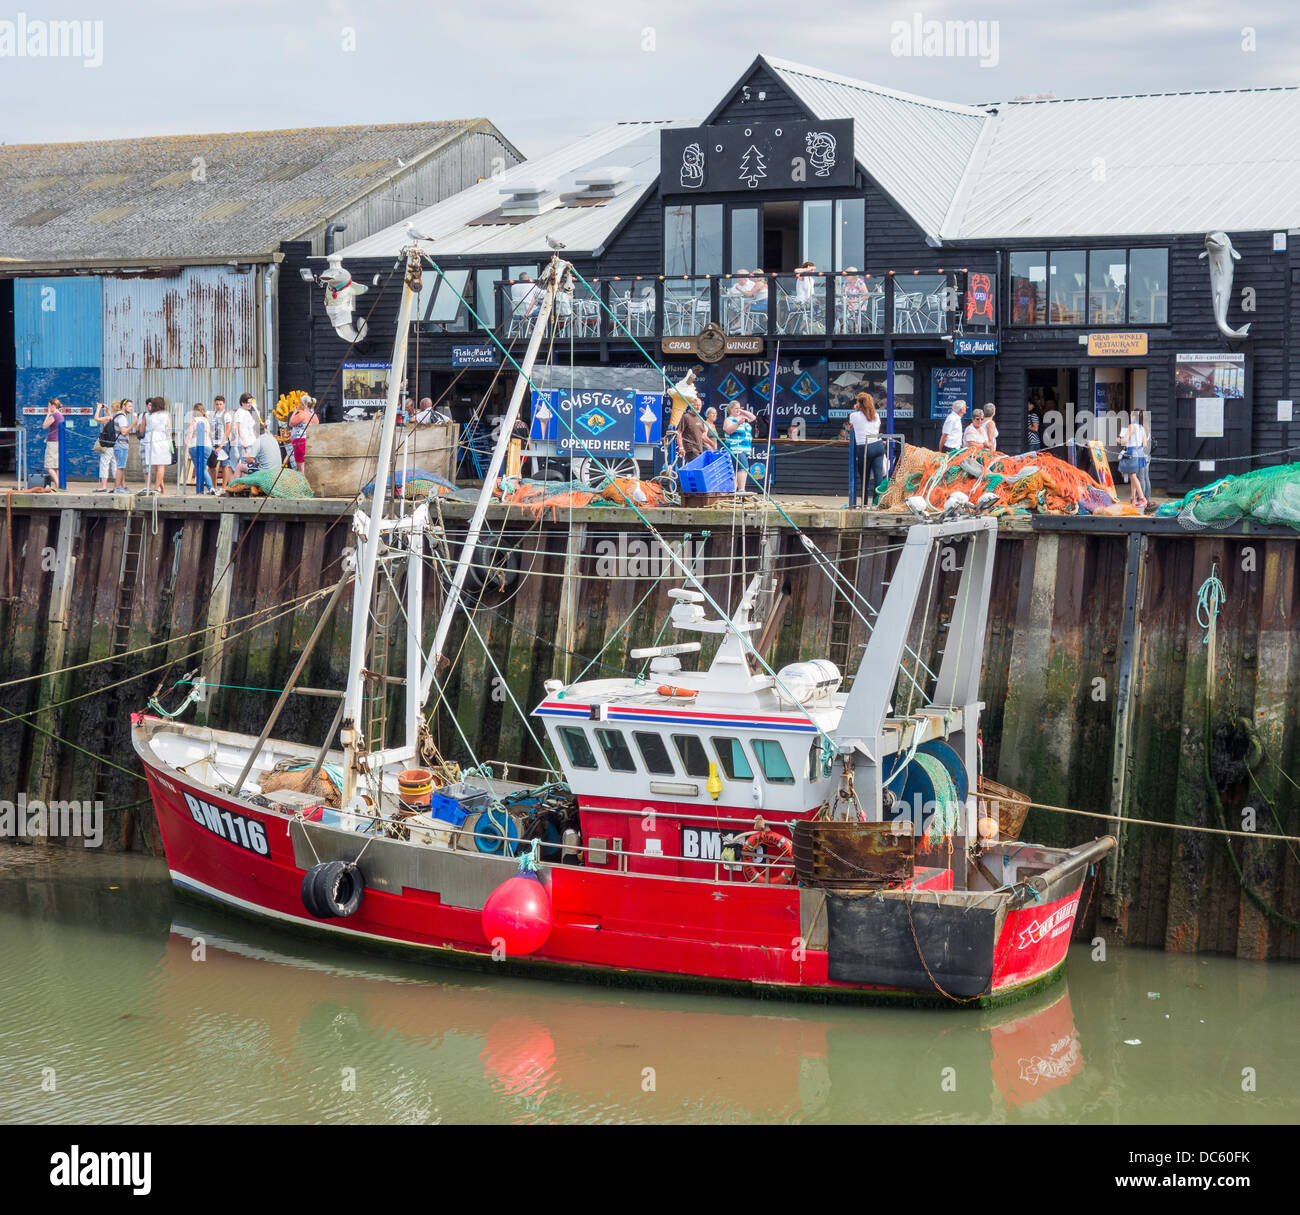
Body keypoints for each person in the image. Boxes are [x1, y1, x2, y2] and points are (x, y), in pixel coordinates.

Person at [842, 392, 885, 508]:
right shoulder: (876, 415)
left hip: (864, 447)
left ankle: (864, 503)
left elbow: (850, 426)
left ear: (859, 404)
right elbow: (877, 429)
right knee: (878, 477)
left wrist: (856, 409)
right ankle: (876, 503)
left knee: (864, 477)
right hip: (878, 445)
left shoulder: (854, 416)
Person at [138, 397, 172, 494]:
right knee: (161, 466)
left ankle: (161, 488)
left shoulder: (147, 416)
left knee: (155, 466)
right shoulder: (166, 415)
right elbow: (169, 430)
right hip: (162, 440)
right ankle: (156, 489)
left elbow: (141, 430)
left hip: (149, 441)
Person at [722, 401, 757, 493]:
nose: (738, 410)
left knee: (736, 469)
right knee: (743, 468)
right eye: (736, 408)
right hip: (735, 448)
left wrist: (742, 411)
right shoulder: (729, 420)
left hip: (745, 449)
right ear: (730, 409)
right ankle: (741, 489)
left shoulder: (742, 418)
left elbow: (753, 418)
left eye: (739, 408)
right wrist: (738, 423)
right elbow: (728, 430)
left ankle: (733, 490)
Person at [1117, 413, 1150, 510]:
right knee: (1133, 475)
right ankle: (1133, 498)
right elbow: (1144, 443)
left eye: (1131, 415)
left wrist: (1119, 440)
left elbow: (1124, 440)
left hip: (1132, 452)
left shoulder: (1131, 426)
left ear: (1134, 417)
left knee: (1133, 476)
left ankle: (1142, 498)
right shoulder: (1142, 428)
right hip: (1140, 452)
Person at [186, 403, 213, 494]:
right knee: (201, 468)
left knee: (200, 469)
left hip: (195, 446)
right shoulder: (207, 421)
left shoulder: (193, 421)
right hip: (207, 446)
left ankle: (210, 487)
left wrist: (185, 445)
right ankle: (201, 490)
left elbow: (189, 435)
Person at [288, 395, 319, 470]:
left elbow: (291, 423)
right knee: (309, 466)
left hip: (300, 441)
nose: (299, 404)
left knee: (301, 466)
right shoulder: (314, 415)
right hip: (310, 441)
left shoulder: (302, 414)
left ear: (304, 404)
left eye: (300, 403)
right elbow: (316, 425)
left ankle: (303, 478)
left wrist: (294, 412)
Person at [93, 400, 116, 491]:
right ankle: (117, 486)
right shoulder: (118, 418)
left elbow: (96, 419)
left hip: (108, 445)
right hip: (115, 445)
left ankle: (103, 486)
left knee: (104, 465)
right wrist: (107, 411)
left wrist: (98, 408)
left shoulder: (110, 418)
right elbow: (111, 417)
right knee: (115, 465)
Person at [41, 398, 65, 488]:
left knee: (49, 466)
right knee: (56, 466)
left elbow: (44, 426)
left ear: (53, 406)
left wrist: (48, 414)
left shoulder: (54, 415)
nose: (48, 408)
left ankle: (58, 484)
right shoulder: (61, 416)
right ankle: (58, 486)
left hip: (52, 443)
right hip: (59, 442)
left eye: (49, 406)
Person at [111, 399, 134, 493]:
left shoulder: (118, 415)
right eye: (129, 406)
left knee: (120, 466)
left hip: (118, 445)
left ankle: (118, 487)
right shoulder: (122, 417)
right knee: (120, 467)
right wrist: (133, 424)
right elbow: (124, 432)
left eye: (131, 406)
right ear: (124, 406)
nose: (131, 408)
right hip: (121, 445)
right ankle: (117, 488)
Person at [232, 393, 259, 470]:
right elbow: (238, 428)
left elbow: (252, 428)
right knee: (246, 466)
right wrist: (244, 442)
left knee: (253, 466)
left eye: (251, 402)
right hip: (246, 444)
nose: (250, 404)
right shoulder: (240, 412)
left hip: (251, 442)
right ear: (242, 403)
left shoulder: (248, 412)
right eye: (248, 403)